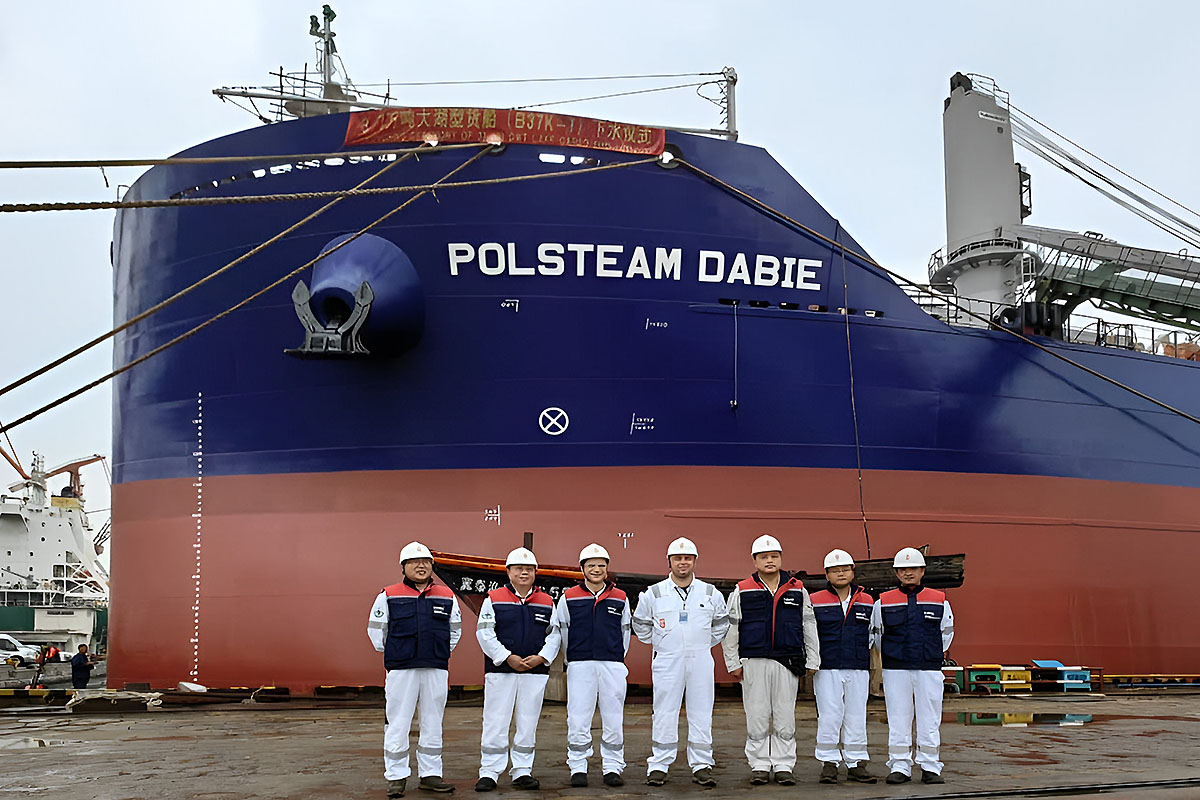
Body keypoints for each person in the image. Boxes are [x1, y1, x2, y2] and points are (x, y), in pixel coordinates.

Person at [721, 534, 819, 786]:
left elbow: (808, 624)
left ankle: (784, 765)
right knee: (757, 715)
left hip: (787, 661)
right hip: (754, 661)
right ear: (754, 561)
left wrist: (813, 659)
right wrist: (733, 662)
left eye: (774, 556)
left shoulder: (798, 589)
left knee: (785, 716)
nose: (769, 561)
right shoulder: (742, 590)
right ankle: (760, 765)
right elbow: (731, 628)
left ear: (781, 558)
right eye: (763, 557)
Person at [632, 537, 729, 787]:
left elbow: (721, 625)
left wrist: (702, 643)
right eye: (678, 558)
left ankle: (702, 764)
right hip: (667, 660)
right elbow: (640, 625)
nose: (682, 562)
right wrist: (662, 643)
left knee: (701, 711)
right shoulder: (654, 593)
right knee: (664, 711)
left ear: (695, 561)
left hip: (700, 660)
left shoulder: (710, 593)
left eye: (687, 558)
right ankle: (660, 764)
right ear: (669, 561)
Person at [368, 541, 462, 798]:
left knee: (433, 721)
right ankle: (396, 777)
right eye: (414, 562)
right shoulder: (388, 595)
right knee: (398, 722)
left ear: (432, 566)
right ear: (403, 567)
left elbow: (454, 631)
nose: (421, 566)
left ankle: (430, 775)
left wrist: (438, 652)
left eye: (426, 562)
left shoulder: (447, 595)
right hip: (402, 669)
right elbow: (377, 632)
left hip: (435, 667)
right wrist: (397, 653)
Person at [474, 547, 560, 792]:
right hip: (500, 671)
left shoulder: (547, 601)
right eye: (519, 568)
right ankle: (490, 771)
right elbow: (484, 632)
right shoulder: (493, 599)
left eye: (529, 569)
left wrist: (541, 657)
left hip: (534, 672)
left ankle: (522, 770)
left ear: (535, 572)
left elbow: (554, 635)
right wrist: (506, 657)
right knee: (495, 720)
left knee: (528, 721)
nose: (524, 573)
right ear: (508, 571)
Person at [871, 547, 954, 785]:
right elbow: (877, 634)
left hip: (928, 668)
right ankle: (900, 765)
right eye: (903, 569)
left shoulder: (940, 601)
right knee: (898, 717)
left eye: (913, 568)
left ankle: (930, 766)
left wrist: (930, 654)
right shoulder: (883, 602)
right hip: (896, 669)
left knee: (930, 718)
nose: (908, 573)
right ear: (897, 573)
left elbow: (946, 633)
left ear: (922, 571)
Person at [552, 543, 632, 788]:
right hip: (580, 664)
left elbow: (625, 631)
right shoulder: (569, 597)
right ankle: (578, 766)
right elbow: (562, 630)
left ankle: (613, 767)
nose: (596, 569)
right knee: (578, 717)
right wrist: (573, 658)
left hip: (612, 664)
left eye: (601, 565)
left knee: (613, 717)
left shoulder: (620, 597)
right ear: (582, 569)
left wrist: (616, 656)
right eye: (591, 565)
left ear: (607, 568)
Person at [810, 549, 877, 784]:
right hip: (827, 667)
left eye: (845, 569)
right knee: (829, 716)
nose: (840, 573)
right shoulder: (814, 600)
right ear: (826, 574)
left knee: (856, 716)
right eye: (835, 570)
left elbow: (872, 633)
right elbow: (809, 633)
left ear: (853, 571)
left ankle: (856, 763)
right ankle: (829, 763)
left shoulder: (867, 600)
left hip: (858, 666)